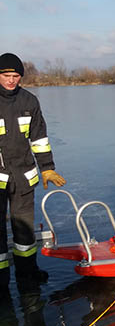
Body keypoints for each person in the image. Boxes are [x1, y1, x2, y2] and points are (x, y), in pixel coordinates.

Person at [0, 52, 66, 291]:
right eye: (6, 75)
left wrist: (47, 168)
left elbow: (39, 139)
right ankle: (2, 281)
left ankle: (27, 274)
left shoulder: (29, 101)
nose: (11, 80)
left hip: (23, 178)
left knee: (24, 230)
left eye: (15, 75)